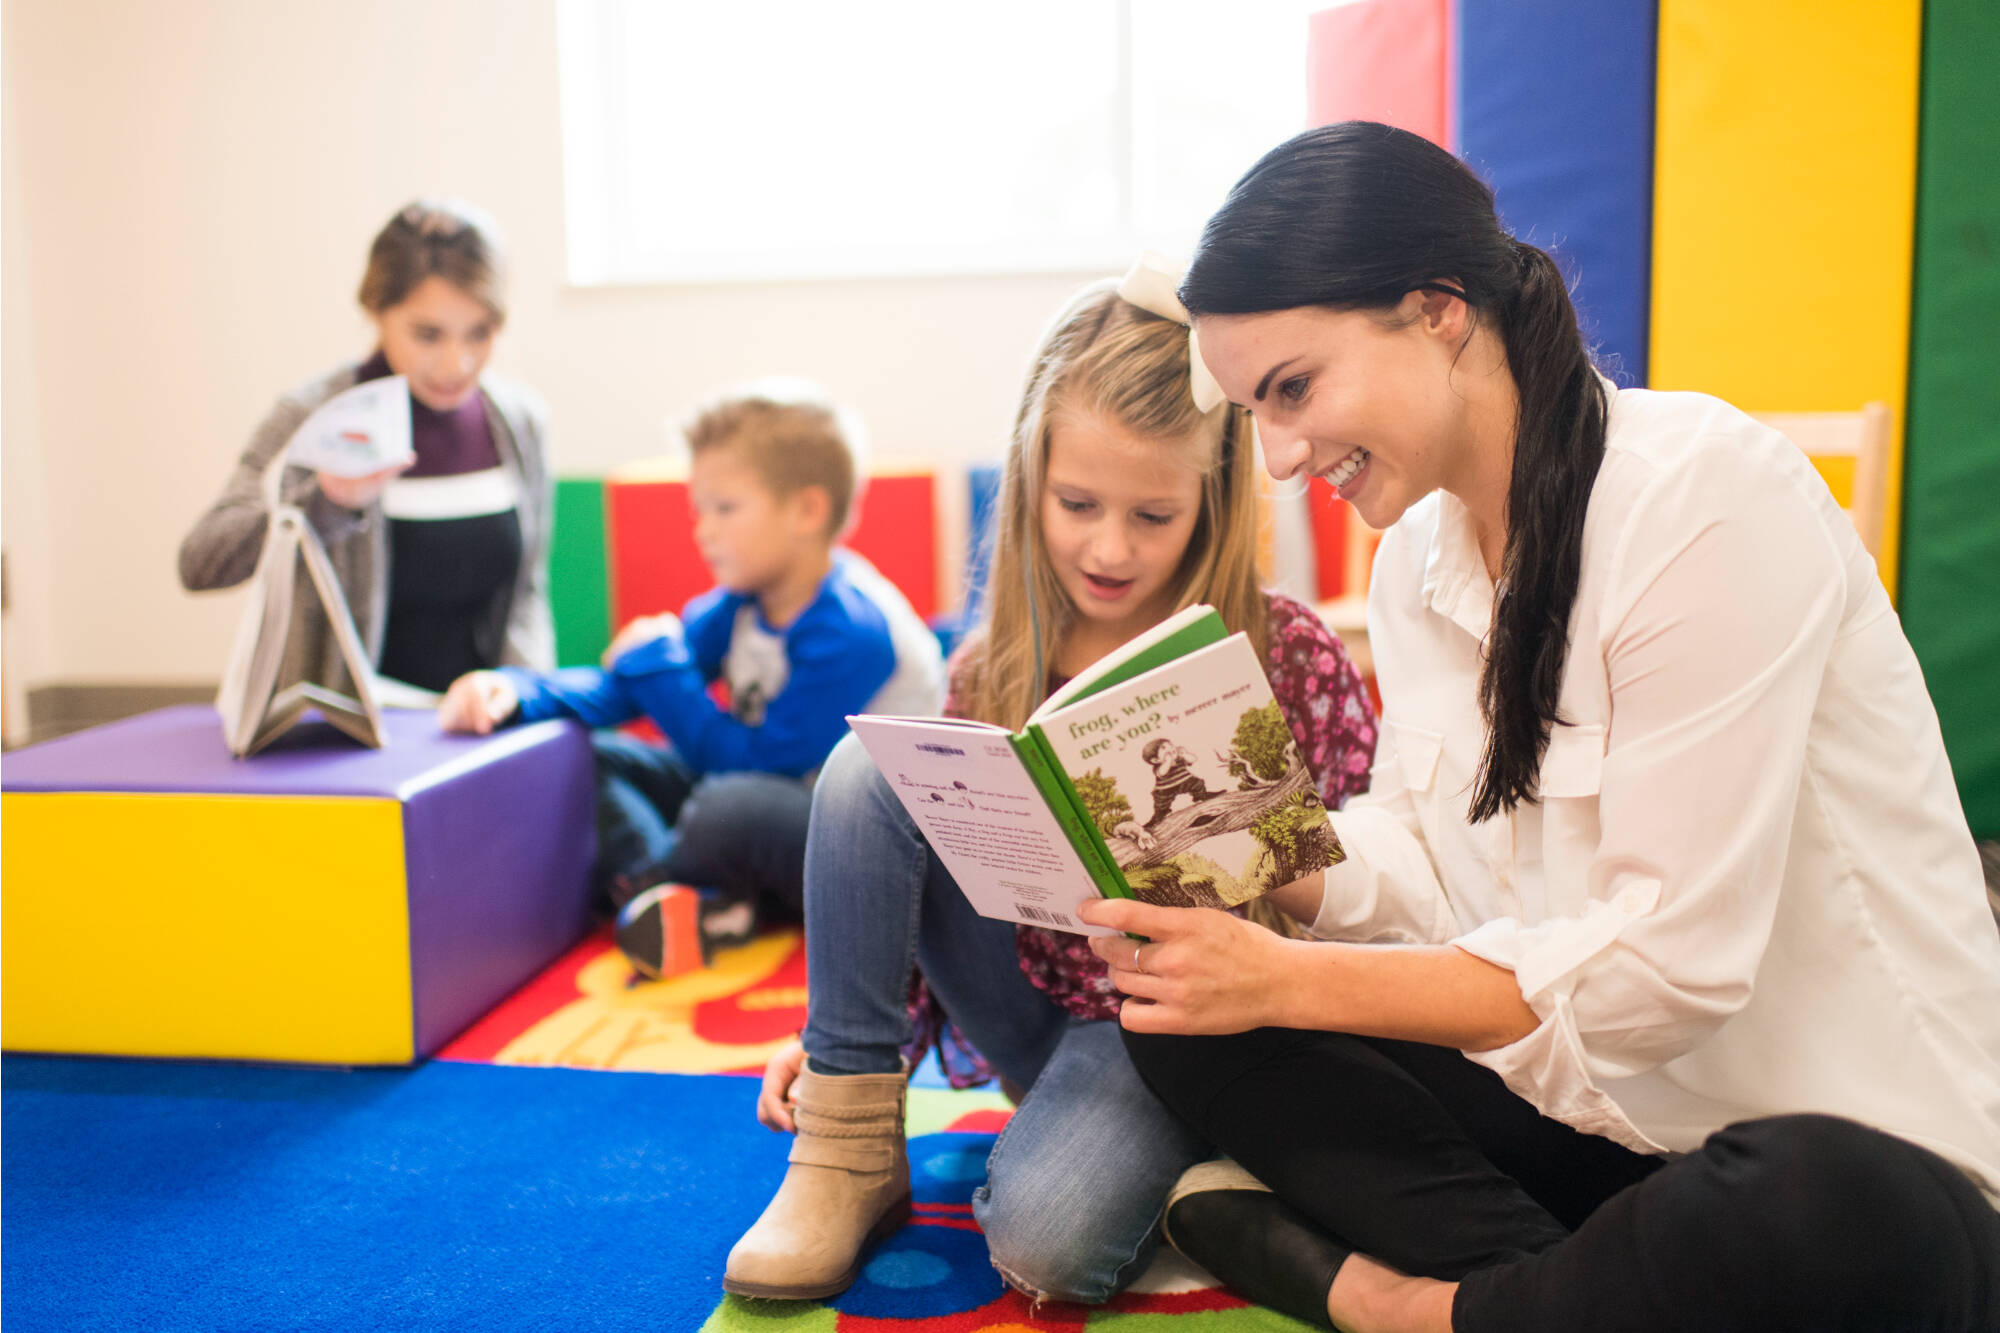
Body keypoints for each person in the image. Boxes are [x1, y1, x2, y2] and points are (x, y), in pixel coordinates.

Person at [1067, 121, 2000, 1333]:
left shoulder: (1702, 498)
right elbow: (1426, 866)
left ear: (1438, 308)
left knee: (1817, 1215)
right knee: (1189, 1033)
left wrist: (1297, 977)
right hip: (1604, 1126)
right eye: (1254, 412)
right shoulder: (1416, 562)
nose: (1283, 456)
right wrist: (1252, 861)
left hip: (1841, 1156)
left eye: (1292, 389)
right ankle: (1570, 1297)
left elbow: (1665, 975)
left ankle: (1407, 1306)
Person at [721, 269, 1379, 1305]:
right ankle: (847, 1149)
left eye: (1153, 515)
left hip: (1190, 1031)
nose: (1108, 547)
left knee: (1047, 1249)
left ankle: (1193, 1153)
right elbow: (928, 877)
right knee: (870, 770)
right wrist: (840, 1045)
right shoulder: (993, 660)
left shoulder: (1282, 651)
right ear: (1028, 477)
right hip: (1034, 1005)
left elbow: (1368, 889)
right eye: (1077, 503)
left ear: (1210, 501)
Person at [438, 381, 945, 957]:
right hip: (760, 804)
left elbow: (759, 763)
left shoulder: (853, 627)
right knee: (594, 755)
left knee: (729, 807)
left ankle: (676, 890)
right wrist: (517, 691)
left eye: (725, 509)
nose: (703, 531)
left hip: (867, 842)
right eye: (699, 510)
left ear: (808, 509)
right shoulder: (740, 603)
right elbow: (627, 688)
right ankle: (669, 899)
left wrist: (662, 670)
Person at [180, 199, 555, 693]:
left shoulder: (517, 421)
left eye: (479, 333)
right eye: (427, 335)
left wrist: (521, 696)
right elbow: (202, 562)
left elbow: (527, 593)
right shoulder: (314, 414)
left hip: (479, 728)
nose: (456, 364)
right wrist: (322, 504)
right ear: (376, 312)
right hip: (344, 739)